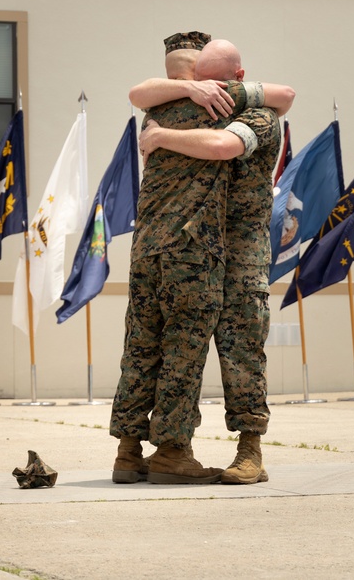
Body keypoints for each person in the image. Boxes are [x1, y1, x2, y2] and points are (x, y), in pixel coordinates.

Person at [109, 32, 290, 485]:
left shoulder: (255, 115)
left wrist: (159, 136)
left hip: (241, 250)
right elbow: (141, 93)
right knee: (168, 345)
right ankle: (149, 451)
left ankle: (249, 450)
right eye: (197, 80)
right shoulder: (179, 105)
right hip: (195, 247)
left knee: (240, 349)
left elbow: (227, 143)